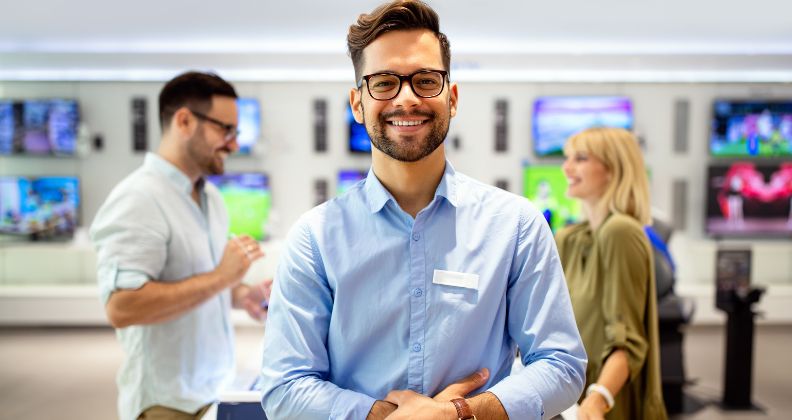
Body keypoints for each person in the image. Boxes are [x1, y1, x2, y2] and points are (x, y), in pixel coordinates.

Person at [259, 1, 587, 419]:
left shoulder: (516, 225)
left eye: (425, 80)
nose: (407, 98)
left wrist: (459, 414)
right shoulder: (315, 238)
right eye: (383, 82)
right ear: (358, 103)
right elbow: (285, 386)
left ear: (451, 97)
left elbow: (562, 365)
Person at [91, 71, 272, 420]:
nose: (234, 144)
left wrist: (242, 293)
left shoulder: (212, 198)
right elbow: (122, 307)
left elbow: (197, 281)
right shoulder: (137, 199)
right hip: (167, 404)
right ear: (185, 121)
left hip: (215, 390)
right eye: (226, 130)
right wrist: (222, 278)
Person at [555, 127, 667, 420]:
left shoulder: (620, 232)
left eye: (580, 158)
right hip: (571, 394)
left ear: (613, 169)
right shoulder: (571, 238)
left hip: (605, 397)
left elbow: (627, 338)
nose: (567, 167)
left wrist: (599, 397)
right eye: (568, 158)